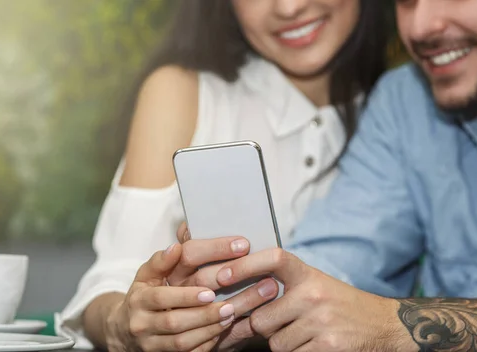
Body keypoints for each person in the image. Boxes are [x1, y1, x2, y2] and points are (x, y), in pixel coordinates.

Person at [169, 0, 477, 351]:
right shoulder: (405, 103)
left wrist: (396, 324)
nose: (420, 26)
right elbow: (334, 261)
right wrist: (213, 299)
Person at [55, 0, 389, 351]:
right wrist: (122, 324)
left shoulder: (402, 114)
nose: (289, 7)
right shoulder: (185, 93)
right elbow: (110, 279)